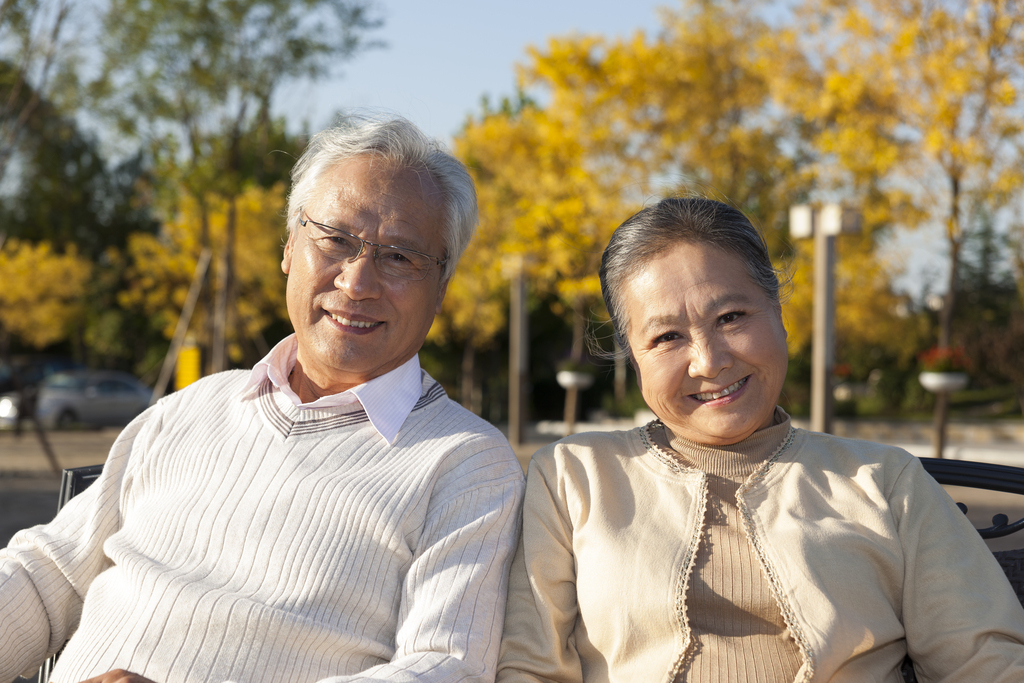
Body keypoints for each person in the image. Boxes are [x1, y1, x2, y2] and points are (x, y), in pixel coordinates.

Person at [0, 114, 525, 683]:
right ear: (289, 248)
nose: (357, 281)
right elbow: (47, 569)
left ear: (441, 287)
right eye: (337, 240)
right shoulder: (193, 407)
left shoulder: (467, 464)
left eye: (399, 256)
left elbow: (443, 668)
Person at [496, 197, 1024, 682]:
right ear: (633, 356)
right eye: (666, 337)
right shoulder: (573, 476)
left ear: (779, 315)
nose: (709, 361)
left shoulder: (885, 481)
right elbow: (529, 667)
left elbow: (986, 663)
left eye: (731, 317)